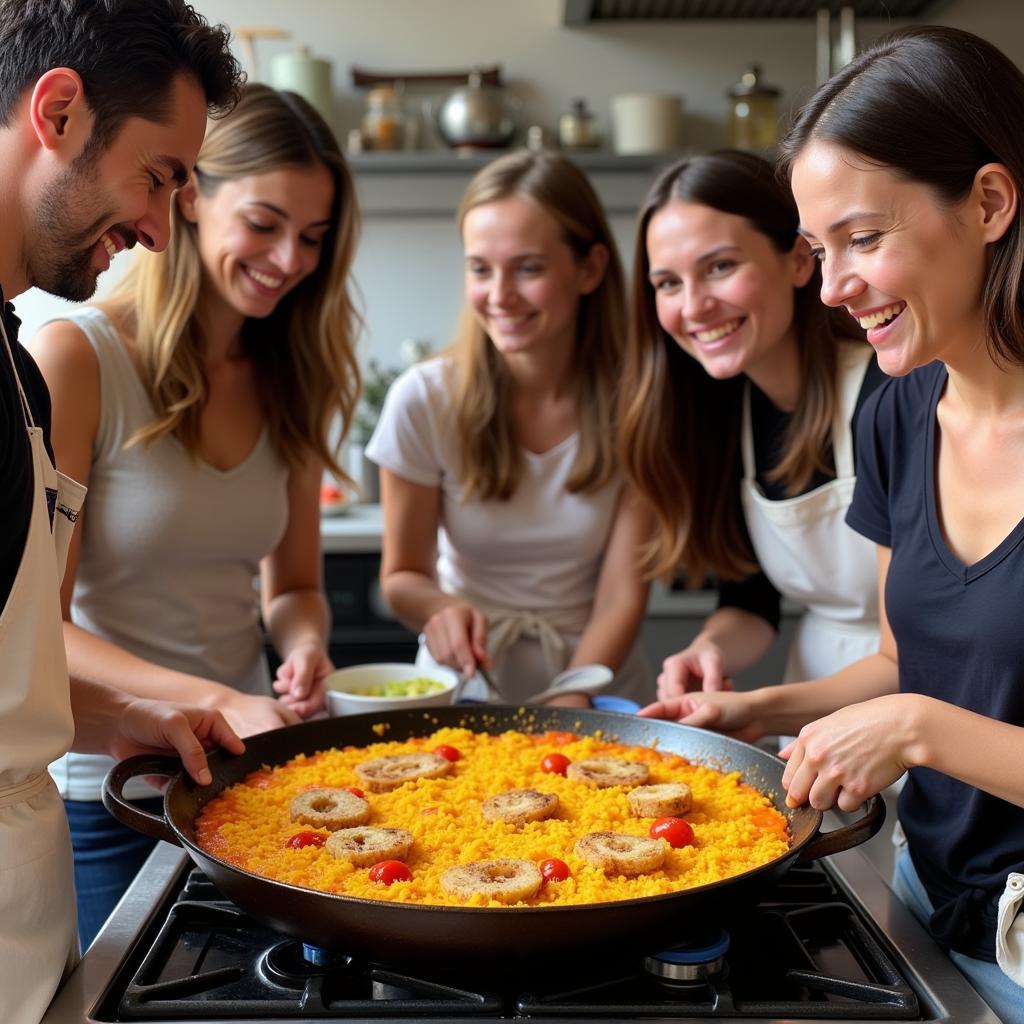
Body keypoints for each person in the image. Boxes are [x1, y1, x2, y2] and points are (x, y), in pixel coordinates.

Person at [643, 26, 1024, 1022]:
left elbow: (922, 709)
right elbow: (909, 664)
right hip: (927, 902)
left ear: (988, 202)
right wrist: (756, 715)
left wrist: (919, 730)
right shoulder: (900, 411)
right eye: (818, 250)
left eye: (861, 239)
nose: (832, 285)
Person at [28, 81, 362, 949]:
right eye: (265, 223)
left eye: (314, 239)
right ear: (191, 197)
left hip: (247, 777)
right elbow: (38, 627)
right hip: (113, 789)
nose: (290, 258)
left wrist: (304, 647)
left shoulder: (294, 378)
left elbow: (291, 587)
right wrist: (219, 697)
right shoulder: (77, 355)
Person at [0, 2, 245, 1021]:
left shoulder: (18, 370)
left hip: (29, 921)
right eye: (157, 174)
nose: (159, 225)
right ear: (57, 112)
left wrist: (121, 710)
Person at [367, 150, 652, 707]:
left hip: (593, 684)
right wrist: (440, 609)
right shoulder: (423, 399)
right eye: (480, 268)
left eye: (528, 268)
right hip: (460, 690)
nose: (499, 295)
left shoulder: (639, 404)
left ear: (590, 269)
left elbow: (622, 596)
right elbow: (401, 576)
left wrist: (572, 696)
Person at [619, 150, 882, 704]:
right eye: (667, 283)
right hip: (811, 708)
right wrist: (709, 647)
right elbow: (751, 600)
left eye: (719, 267)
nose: (694, 307)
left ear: (797, 261)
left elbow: (925, 641)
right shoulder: (721, 412)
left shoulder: (884, 395)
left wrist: (755, 711)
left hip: (920, 705)